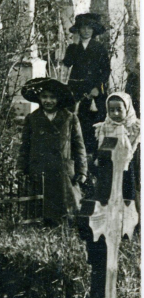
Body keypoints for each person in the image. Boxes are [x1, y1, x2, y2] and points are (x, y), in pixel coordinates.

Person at [19, 76, 87, 223]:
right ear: (39, 98)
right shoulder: (32, 118)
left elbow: (79, 146)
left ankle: (65, 222)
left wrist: (82, 171)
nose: (48, 101)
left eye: (52, 97)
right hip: (40, 167)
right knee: (40, 206)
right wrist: (21, 168)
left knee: (65, 208)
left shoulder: (70, 118)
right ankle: (40, 221)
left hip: (62, 169)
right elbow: (25, 146)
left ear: (59, 98)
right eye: (44, 97)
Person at [62, 13, 111, 148]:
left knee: (96, 121)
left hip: (95, 90)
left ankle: (93, 152)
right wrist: (74, 45)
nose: (86, 31)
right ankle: (78, 151)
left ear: (94, 30)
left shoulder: (99, 48)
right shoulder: (73, 48)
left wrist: (97, 87)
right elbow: (67, 65)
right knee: (78, 120)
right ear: (78, 30)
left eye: (89, 28)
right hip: (77, 89)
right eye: (83, 28)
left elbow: (106, 70)